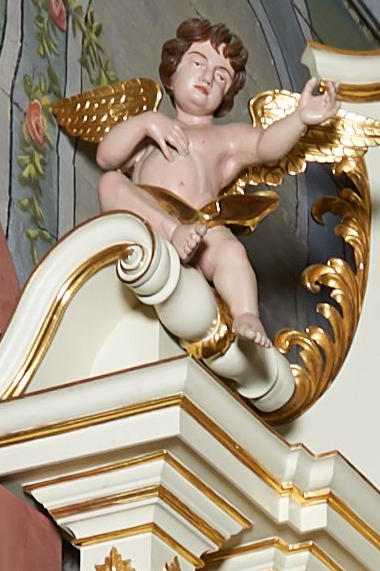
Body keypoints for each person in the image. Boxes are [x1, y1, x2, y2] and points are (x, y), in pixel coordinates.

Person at [90, 21, 336, 345]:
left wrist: (300, 118)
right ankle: (172, 232)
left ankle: (246, 313)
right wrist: (147, 122)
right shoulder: (152, 131)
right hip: (149, 214)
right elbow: (106, 157)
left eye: (221, 77)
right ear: (172, 72)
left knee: (231, 251)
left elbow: (266, 145)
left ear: (225, 96)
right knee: (110, 183)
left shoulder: (225, 138)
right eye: (198, 63)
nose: (207, 77)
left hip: (199, 223)